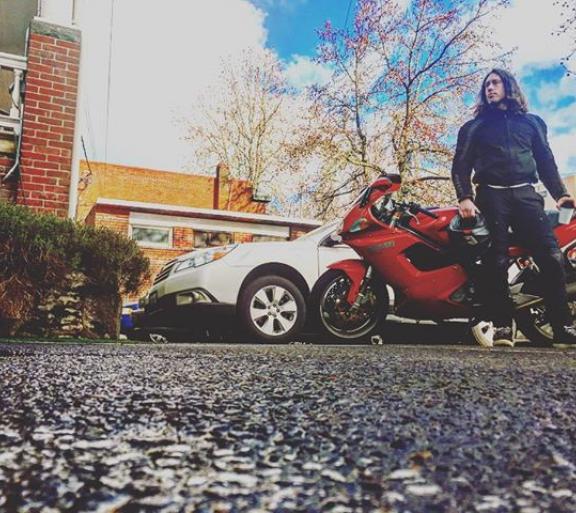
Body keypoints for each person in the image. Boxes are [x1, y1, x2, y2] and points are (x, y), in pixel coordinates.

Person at [451, 68, 576, 347]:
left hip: (526, 196)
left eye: (495, 83)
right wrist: (465, 197)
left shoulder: (532, 123)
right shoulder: (473, 127)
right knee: (494, 263)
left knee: (552, 257)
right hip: (490, 198)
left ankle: (562, 326)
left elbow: (546, 162)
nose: (490, 88)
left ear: (509, 86)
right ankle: (503, 325)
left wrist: (561, 194)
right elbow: (461, 166)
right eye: (486, 85)